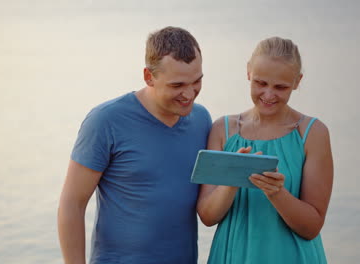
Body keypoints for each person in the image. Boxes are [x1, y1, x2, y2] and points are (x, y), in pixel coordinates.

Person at [58, 26, 212, 264]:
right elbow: (72, 204)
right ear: (149, 76)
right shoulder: (105, 121)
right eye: (177, 85)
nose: (189, 93)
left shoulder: (202, 120)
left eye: (197, 81)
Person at [197, 36, 333, 263]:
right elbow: (208, 217)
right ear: (248, 72)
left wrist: (276, 192)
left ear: (297, 81)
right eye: (260, 83)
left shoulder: (313, 133)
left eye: (280, 87)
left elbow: (312, 227)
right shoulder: (223, 129)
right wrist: (232, 180)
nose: (268, 95)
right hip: (232, 255)